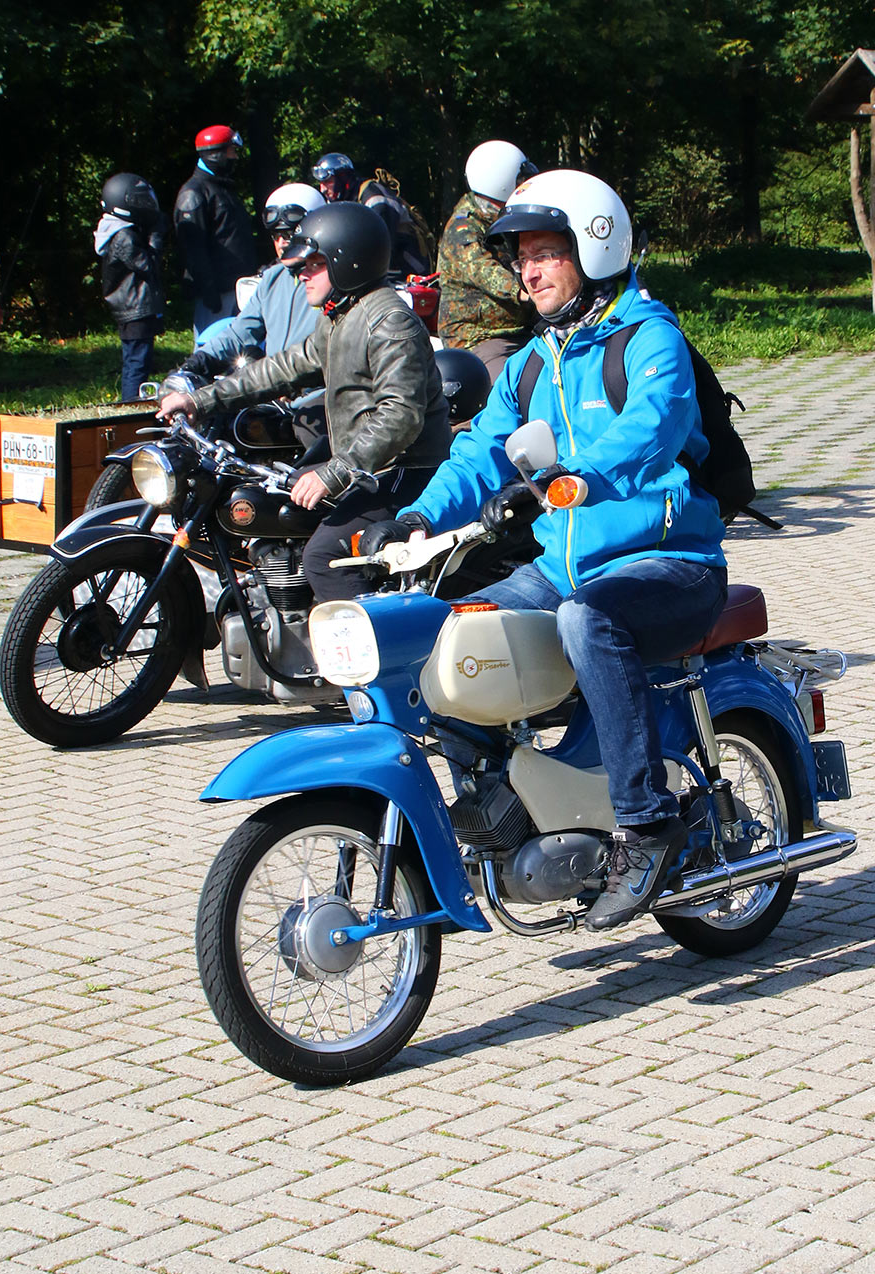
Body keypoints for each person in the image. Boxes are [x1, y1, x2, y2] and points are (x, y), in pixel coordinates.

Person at [362, 169, 729, 931]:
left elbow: (652, 429)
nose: (527, 273)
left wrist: (574, 479)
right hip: (559, 569)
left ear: (595, 247)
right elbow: (479, 453)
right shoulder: (533, 361)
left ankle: (647, 824)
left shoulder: (649, 337)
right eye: (522, 257)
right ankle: (503, 807)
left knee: (589, 620)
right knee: (440, 638)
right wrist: (416, 518)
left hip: (668, 563)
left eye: (544, 254)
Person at [158, 201, 452, 601]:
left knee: (322, 557)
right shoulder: (340, 315)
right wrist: (200, 400)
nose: (302, 275)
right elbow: (283, 368)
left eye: (314, 264)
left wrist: (333, 474)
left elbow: (400, 416)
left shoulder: (389, 322)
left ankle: (365, 640)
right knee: (274, 503)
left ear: (348, 260)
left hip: (404, 468)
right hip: (368, 463)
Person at [179, 182, 324, 384]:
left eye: (289, 234)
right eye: (276, 235)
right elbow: (239, 333)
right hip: (276, 390)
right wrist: (198, 361)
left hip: (316, 392)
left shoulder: (332, 282)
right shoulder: (272, 279)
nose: (281, 243)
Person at [437, 139, 538, 380]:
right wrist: (528, 290)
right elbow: (486, 272)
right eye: (519, 181)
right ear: (501, 183)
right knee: (510, 387)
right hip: (479, 335)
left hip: (522, 328)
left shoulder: (506, 217)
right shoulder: (463, 228)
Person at [173, 124, 257, 344]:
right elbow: (193, 248)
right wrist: (209, 290)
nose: (235, 157)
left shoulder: (222, 188)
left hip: (234, 287)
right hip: (216, 294)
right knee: (210, 348)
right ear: (216, 155)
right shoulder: (194, 193)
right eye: (231, 152)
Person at [94, 173, 166, 400]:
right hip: (134, 309)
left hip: (133, 307)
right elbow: (148, 265)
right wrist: (156, 236)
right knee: (137, 363)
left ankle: (132, 403)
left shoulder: (122, 231)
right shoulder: (123, 236)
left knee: (136, 360)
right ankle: (131, 406)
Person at [311, 151, 431, 278]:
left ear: (343, 178)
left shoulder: (375, 200)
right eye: (320, 183)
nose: (322, 189)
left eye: (328, 181)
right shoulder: (348, 201)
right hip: (385, 273)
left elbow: (379, 249)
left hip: (407, 274)